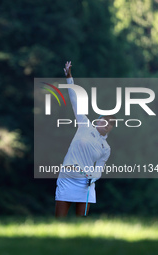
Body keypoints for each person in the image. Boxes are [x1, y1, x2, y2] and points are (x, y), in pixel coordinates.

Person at [55, 60, 116, 217]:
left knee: (80, 223)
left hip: (85, 184)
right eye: (106, 120)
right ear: (99, 120)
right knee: (59, 220)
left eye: (111, 123)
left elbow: (99, 169)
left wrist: (92, 179)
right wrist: (69, 77)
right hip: (67, 178)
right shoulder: (84, 124)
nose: (108, 124)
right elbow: (75, 100)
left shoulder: (106, 148)